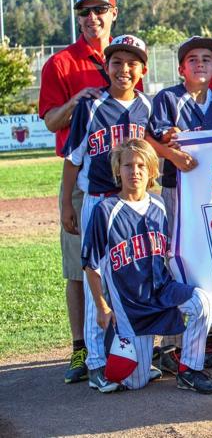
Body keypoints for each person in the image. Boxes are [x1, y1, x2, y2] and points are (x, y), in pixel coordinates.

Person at [82, 138, 212, 394]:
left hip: (162, 291)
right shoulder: (106, 210)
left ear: (151, 172)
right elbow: (90, 265)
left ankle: (189, 370)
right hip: (132, 306)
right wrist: (102, 306)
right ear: (117, 170)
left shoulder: (159, 205)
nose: (134, 171)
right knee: (135, 383)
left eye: (141, 166)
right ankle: (131, 362)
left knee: (204, 302)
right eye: (128, 165)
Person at [60, 34, 153, 391]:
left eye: (132, 63)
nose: (124, 69)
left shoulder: (148, 106)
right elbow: (73, 159)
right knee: (94, 280)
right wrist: (67, 203)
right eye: (117, 62)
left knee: (132, 276)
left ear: (142, 69)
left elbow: (156, 149)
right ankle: (97, 361)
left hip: (133, 203)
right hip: (99, 201)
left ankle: (132, 354)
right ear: (107, 67)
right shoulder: (91, 106)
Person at [38, 0, 120, 384]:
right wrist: (76, 101)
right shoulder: (61, 63)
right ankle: (78, 348)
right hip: (81, 178)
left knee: (123, 262)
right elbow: (51, 121)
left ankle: (122, 341)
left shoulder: (127, 55)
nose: (92, 18)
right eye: (85, 11)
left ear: (113, 12)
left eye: (99, 9)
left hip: (124, 178)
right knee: (77, 265)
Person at [147, 36, 212, 372]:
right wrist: (172, 152)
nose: (200, 64)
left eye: (207, 58)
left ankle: (211, 332)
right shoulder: (169, 98)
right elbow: (152, 136)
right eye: (193, 59)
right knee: (175, 256)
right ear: (182, 67)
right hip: (177, 189)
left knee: (210, 258)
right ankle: (172, 340)